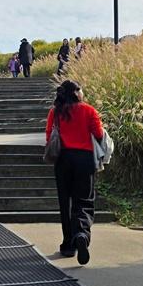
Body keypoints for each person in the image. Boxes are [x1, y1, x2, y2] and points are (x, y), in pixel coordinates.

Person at [46, 80, 104, 265]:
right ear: (76, 92)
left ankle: (68, 245)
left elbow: (49, 136)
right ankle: (81, 234)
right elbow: (99, 134)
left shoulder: (55, 112)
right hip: (84, 159)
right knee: (84, 200)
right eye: (80, 90)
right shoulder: (89, 110)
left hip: (63, 159)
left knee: (66, 202)